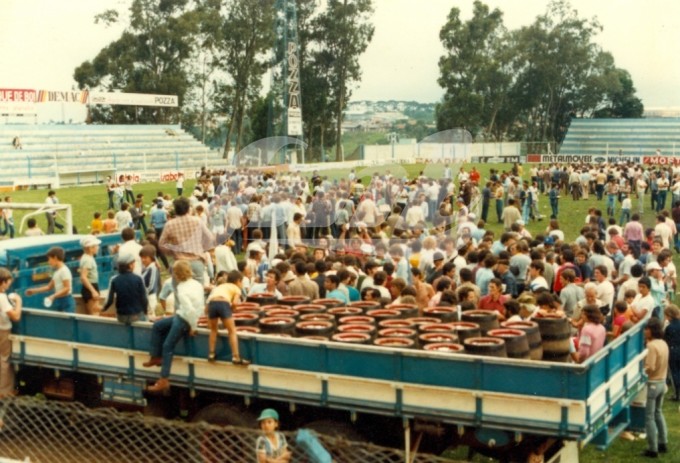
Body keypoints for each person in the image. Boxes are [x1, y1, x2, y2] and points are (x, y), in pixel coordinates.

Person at [144, 260, 205, 393]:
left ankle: (164, 379)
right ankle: (155, 356)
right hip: (181, 315)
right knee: (158, 326)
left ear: (177, 275)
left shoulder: (182, 289)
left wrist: (193, 326)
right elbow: (199, 305)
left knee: (168, 346)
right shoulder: (196, 284)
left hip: (184, 319)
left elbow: (189, 310)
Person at [159, 196, 215, 283]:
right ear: (188, 208)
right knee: (199, 290)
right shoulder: (197, 221)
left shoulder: (170, 224)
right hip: (196, 260)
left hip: (180, 262)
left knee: (179, 290)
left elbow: (161, 245)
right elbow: (209, 238)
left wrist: (172, 252)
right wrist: (202, 249)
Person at [206, 270, 247, 364]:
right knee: (232, 331)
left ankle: (211, 354)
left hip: (212, 303)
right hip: (223, 303)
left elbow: (208, 304)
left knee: (213, 330)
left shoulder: (220, 286)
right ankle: (236, 357)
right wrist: (232, 309)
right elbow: (235, 303)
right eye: (242, 282)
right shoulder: (236, 288)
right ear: (238, 281)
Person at [642, 318, 669, 458]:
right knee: (658, 413)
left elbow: (650, 367)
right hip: (662, 381)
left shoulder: (651, 346)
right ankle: (663, 442)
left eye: (646, 329)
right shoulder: (663, 343)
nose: (645, 331)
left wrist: (640, 370)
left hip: (652, 383)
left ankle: (652, 448)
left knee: (649, 417)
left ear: (651, 330)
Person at [25, 247, 75, 313]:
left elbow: (67, 288)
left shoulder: (64, 271)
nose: (48, 262)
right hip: (59, 300)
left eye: (49, 259)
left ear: (55, 257)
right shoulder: (57, 271)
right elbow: (49, 287)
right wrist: (34, 291)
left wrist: (53, 296)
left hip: (66, 300)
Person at [102, 252, 148, 323]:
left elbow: (109, 300)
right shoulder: (138, 278)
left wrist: (103, 309)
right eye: (134, 263)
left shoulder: (114, 279)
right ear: (130, 265)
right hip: (137, 315)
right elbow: (144, 298)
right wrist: (146, 312)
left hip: (121, 316)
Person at [0, 268, 22, 398]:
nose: (9, 284)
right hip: (3, 331)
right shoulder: (2, 297)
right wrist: (18, 301)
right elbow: (15, 316)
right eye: (8, 282)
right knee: (4, 360)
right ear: (2, 282)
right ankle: (5, 391)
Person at [79, 235, 102, 315]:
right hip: (91, 287)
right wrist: (93, 291)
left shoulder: (87, 258)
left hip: (91, 286)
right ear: (90, 248)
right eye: (96, 246)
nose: (98, 247)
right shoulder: (87, 260)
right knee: (94, 314)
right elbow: (83, 277)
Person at [664, 305, 680, 401]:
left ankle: (677, 394)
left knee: (675, 372)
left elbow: (666, 340)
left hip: (673, 350)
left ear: (669, 316)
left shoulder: (669, 327)